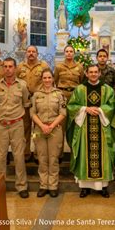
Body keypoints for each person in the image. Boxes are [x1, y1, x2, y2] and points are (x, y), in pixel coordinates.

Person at [67, 65, 115, 198]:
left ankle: (103, 187)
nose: (93, 74)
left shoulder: (108, 90)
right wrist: (84, 109)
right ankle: (85, 187)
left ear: (100, 73)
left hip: (102, 128)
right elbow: (71, 106)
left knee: (103, 156)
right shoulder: (79, 89)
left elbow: (112, 106)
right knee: (84, 154)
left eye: (96, 72)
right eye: (91, 72)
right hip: (84, 128)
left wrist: (100, 110)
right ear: (86, 74)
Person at [0, 57, 31, 198]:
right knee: (0, 158)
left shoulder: (22, 86)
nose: (8, 69)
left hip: (17, 125)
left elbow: (26, 104)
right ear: (2, 68)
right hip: (1, 126)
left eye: (10, 66)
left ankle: (22, 186)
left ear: (15, 68)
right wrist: (2, 117)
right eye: (5, 66)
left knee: (19, 157)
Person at [30, 69, 66, 198]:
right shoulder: (36, 95)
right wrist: (42, 126)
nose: (47, 80)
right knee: (42, 158)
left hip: (55, 130)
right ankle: (43, 185)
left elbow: (63, 113)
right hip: (39, 130)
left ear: (52, 79)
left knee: (53, 158)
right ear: (42, 79)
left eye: (49, 77)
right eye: (44, 78)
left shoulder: (59, 94)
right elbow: (32, 113)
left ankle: (53, 186)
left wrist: (51, 126)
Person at [17, 45, 50, 162]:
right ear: (26, 53)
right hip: (24, 101)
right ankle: (26, 153)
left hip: (38, 101)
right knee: (25, 128)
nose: (31, 53)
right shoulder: (20, 66)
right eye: (29, 51)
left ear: (37, 53)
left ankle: (37, 153)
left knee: (38, 128)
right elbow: (16, 82)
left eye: (33, 51)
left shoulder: (43, 66)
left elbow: (49, 82)